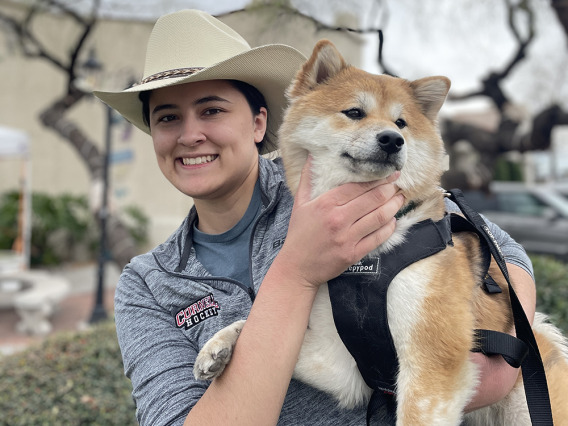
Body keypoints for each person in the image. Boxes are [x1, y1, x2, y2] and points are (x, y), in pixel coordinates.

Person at [94, 9, 536, 426]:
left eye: (212, 110)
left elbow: (498, 246)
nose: (190, 135)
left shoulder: (336, 172)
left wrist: (506, 349)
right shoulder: (149, 284)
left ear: (258, 123)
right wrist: (297, 271)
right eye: (168, 118)